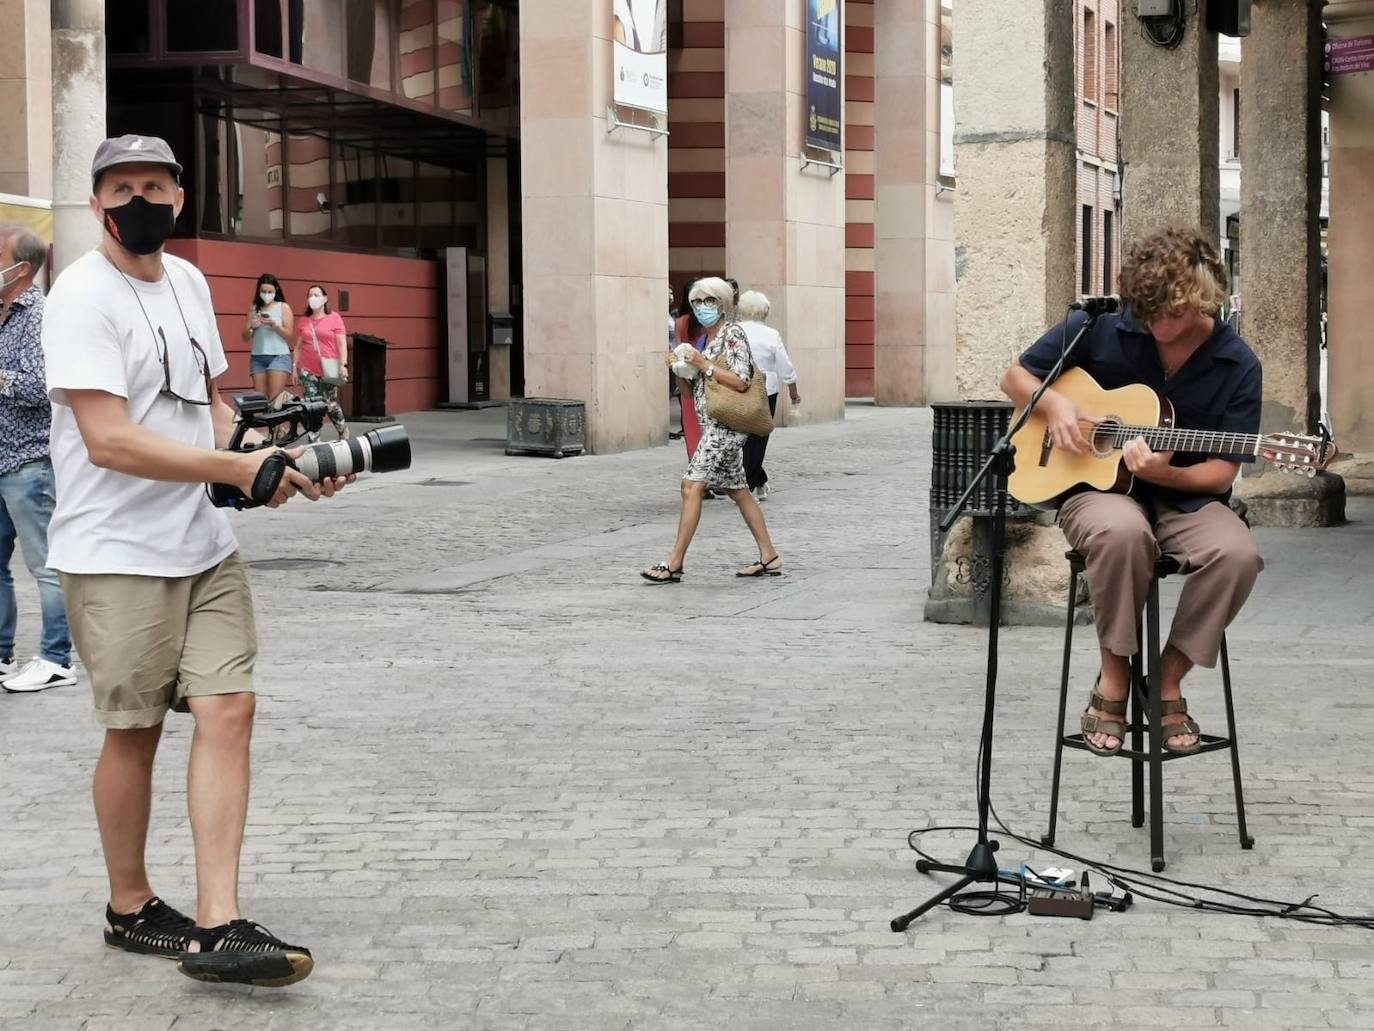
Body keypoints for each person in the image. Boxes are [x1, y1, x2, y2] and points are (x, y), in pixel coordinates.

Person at [41, 134, 350, 988]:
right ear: (100, 201)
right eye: (120, 185)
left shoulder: (186, 281)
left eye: (154, 184)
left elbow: (207, 408)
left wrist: (269, 462)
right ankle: (131, 904)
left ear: (180, 198)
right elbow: (107, 438)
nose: (138, 197)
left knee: (231, 707)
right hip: (116, 550)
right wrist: (232, 468)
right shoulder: (78, 297)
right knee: (134, 732)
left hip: (202, 542)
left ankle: (218, 923)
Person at [1000, 225, 1266, 758]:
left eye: (1172, 314)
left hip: (1184, 496)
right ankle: (1114, 677)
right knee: (1123, 534)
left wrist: (1164, 474)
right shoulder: (1101, 327)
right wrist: (1055, 406)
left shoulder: (1238, 364)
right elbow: (1015, 378)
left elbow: (1220, 474)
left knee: (1238, 555)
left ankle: (1166, 678)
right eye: (1148, 315)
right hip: (1093, 488)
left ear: (1202, 296)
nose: (1159, 327)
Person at [643, 277, 782, 583]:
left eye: (709, 301)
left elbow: (742, 380)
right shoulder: (706, 339)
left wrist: (703, 364)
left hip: (727, 427)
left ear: (723, 304)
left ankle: (674, 563)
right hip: (713, 425)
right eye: (697, 302)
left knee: (691, 485)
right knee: (738, 490)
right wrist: (679, 369)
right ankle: (769, 556)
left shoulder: (732, 334)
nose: (703, 308)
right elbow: (693, 394)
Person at [0, 223, 75, 694]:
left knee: (46, 565)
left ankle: (56, 657)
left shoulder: (41, 316)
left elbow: (44, 388)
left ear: (20, 268)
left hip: (28, 462)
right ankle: (2, 653)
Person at [736, 290, 800, 502]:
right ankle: (751, 485)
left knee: (743, 438)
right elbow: (785, 367)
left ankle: (757, 480)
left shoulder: (732, 331)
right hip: (766, 390)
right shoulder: (771, 335)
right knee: (758, 439)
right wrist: (794, 392)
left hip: (737, 387)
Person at [292, 284, 349, 442]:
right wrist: (294, 368)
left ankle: (342, 428)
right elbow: (298, 347)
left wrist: (343, 365)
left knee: (329, 404)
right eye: (310, 295)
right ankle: (314, 440)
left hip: (328, 369)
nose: (313, 298)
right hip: (307, 369)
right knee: (311, 406)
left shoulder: (334, 318)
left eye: (316, 295)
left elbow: (341, 343)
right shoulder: (304, 321)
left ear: (325, 299)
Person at [242, 272, 294, 402]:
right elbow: (245, 336)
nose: (266, 294)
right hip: (258, 357)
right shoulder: (254, 309)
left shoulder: (283, 307)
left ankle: (279, 420)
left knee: (275, 401)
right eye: (263, 291)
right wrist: (253, 327)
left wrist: (274, 325)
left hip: (279, 356)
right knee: (261, 401)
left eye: (269, 291)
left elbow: (289, 334)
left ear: (276, 289)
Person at [673, 277, 704, 460]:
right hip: (704, 373)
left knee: (691, 423)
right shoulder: (706, 322)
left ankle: (694, 461)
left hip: (686, 375)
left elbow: (679, 349)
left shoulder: (680, 322)